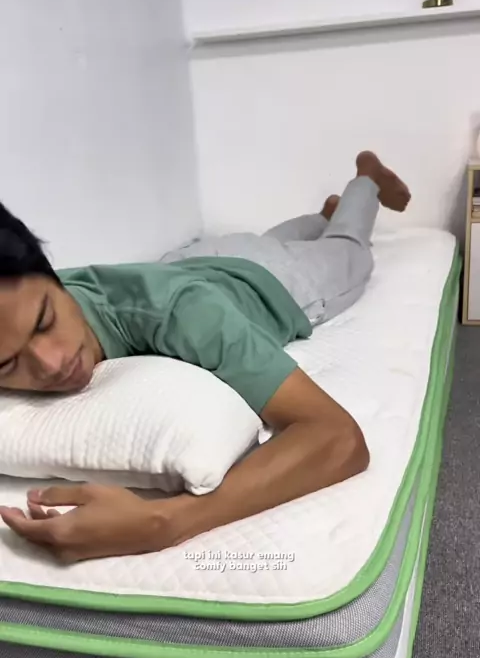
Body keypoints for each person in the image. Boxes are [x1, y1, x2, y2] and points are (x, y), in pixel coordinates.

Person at [0, 151, 410, 563]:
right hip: (198, 260)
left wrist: (166, 521)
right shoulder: (17, 296)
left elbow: (338, 437)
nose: (51, 363)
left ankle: (366, 179)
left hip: (268, 279)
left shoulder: (183, 313)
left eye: (44, 322)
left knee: (348, 251)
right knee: (267, 242)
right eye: (7, 364)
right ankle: (325, 215)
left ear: (53, 275)